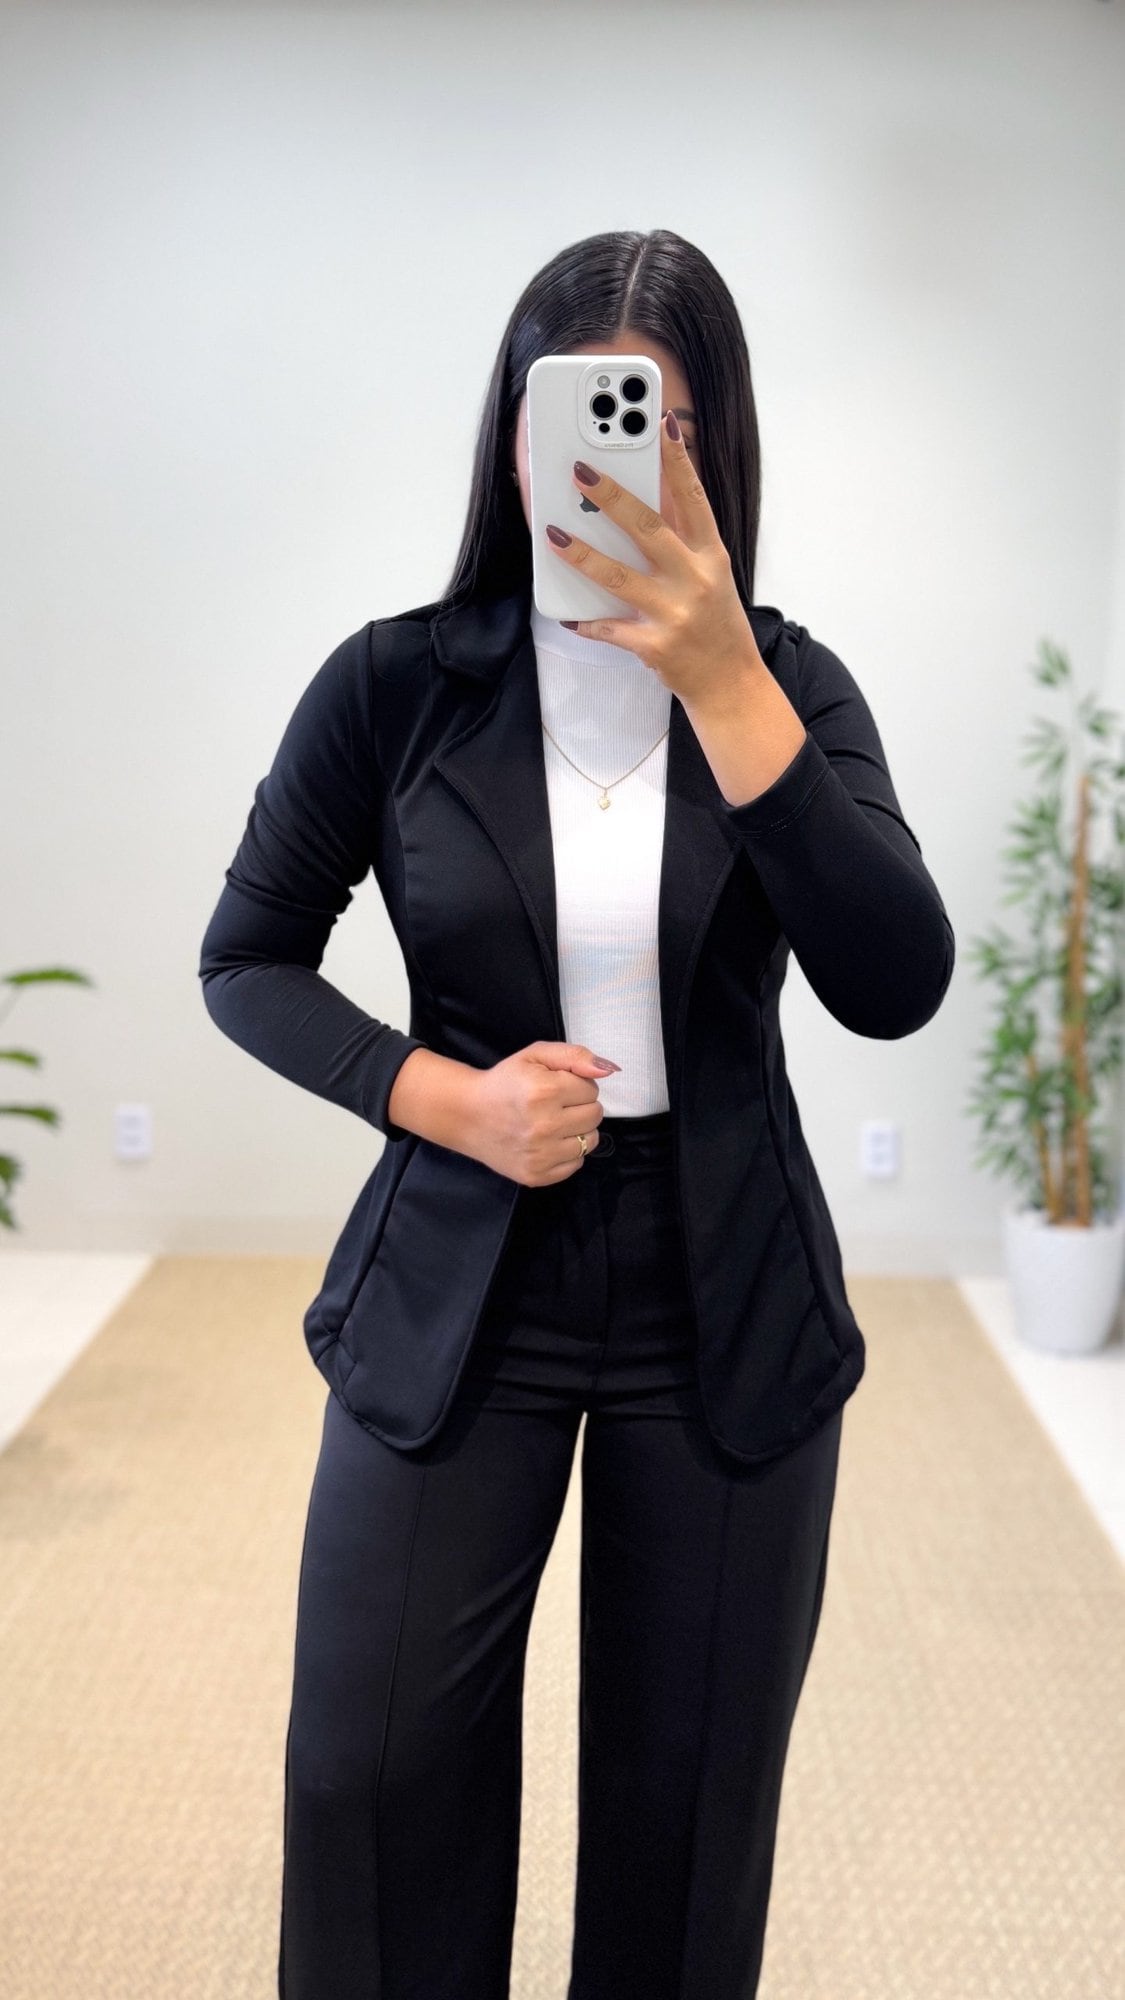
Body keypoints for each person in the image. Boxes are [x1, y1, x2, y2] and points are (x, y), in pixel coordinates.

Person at [198, 226, 955, 2000]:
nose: (624, 466)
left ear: (719, 448)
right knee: (371, 1777)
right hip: (464, 1271)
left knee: (686, 1828)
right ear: (514, 435)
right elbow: (248, 959)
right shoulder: (394, 684)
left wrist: (724, 684)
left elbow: (893, 978)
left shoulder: (787, 685)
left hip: (723, 1290)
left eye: (668, 428)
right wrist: (439, 1097)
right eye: (589, 420)